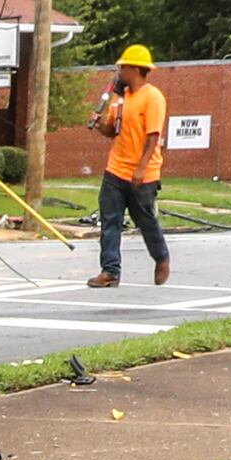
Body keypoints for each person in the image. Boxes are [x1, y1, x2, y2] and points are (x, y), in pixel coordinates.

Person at [84, 42, 172, 288]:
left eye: (122, 67)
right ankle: (110, 271)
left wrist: (141, 169)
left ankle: (161, 257)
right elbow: (113, 131)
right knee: (109, 219)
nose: (119, 72)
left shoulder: (152, 97)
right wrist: (99, 124)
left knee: (144, 220)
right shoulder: (120, 99)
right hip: (115, 169)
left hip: (143, 173)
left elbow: (153, 136)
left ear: (135, 69)